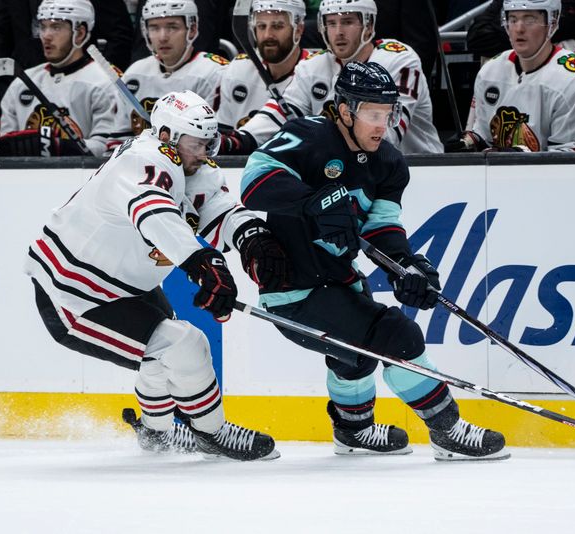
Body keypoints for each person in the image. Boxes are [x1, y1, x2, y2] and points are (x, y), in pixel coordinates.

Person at [240, 61, 509, 461]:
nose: (381, 125)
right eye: (371, 114)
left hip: (339, 280)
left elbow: (382, 226)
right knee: (396, 336)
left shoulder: (388, 164)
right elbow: (253, 183)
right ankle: (447, 429)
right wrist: (312, 203)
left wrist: (406, 267)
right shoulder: (307, 136)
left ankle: (353, 432)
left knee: (354, 356)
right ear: (345, 111)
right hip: (292, 292)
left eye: (387, 114)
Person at [24, 89, 290, 460]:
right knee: (185, 344)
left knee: (165, 351)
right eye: (198, 143)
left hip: (125, 283)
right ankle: (212, 434)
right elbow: (156, 214)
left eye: (209, 143)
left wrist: (252, 239)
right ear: (166, 136)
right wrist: (201, 262)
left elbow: (219, 208)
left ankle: (156, 433)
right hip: (74, 290)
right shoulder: (144, 160)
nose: (205, 153)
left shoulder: (189, 164)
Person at [235, 0, 443, 154]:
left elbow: (385, 137)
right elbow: (280, 112)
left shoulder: (400, 60)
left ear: (369, 26)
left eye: (348, 22)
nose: (338, 32)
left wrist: (312, 136)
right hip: (346, 173)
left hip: (418, 170)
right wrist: (239, 140)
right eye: (331, 23)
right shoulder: (313, 66)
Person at [447, 0, 575, 152]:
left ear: (552, 23)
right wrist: (470, 142)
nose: (519, 29)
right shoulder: (490, 71)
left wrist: (521, 158)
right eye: (513, 19)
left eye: (529, 19)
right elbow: (484, 135)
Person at [0, 0, 122, 157]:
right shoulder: (22, 82)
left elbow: (109, 149)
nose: (46, 36)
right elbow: (6, 148)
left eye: (56, 27)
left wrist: (59, 147)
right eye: (43, 27)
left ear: (80, 33)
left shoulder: (105, 82)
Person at [119, 0, 229, 138]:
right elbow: (118, 140)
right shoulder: (134, 73)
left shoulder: (214, 72)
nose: (162, 37)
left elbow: (210, 142)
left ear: (192, 29)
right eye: (154, 28)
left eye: (172, 27)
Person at [217, 0, 311, 153]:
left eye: (277, 26)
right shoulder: (239, 69)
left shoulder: (314, 71)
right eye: (261, 26)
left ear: (299, 29)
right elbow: (224, 133)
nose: (268, 35)